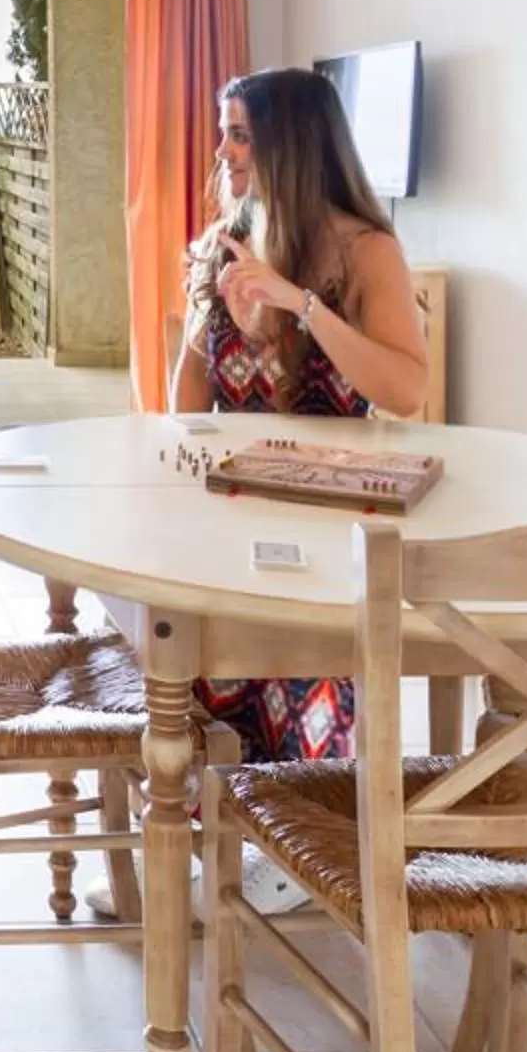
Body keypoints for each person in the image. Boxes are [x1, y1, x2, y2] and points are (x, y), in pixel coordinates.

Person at [90, 65, 431, 921]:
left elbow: (405, 391)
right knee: (172, 642)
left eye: (239, 133)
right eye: (225, 130)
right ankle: (211, 836)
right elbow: (187, 408)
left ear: (290, 146)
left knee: (287, 659)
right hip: (234, 508)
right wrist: (219, 322)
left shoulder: (365, 252)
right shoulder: (227, 239)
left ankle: (295, 837)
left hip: (328, 524)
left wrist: (300, 307)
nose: (224, 148)